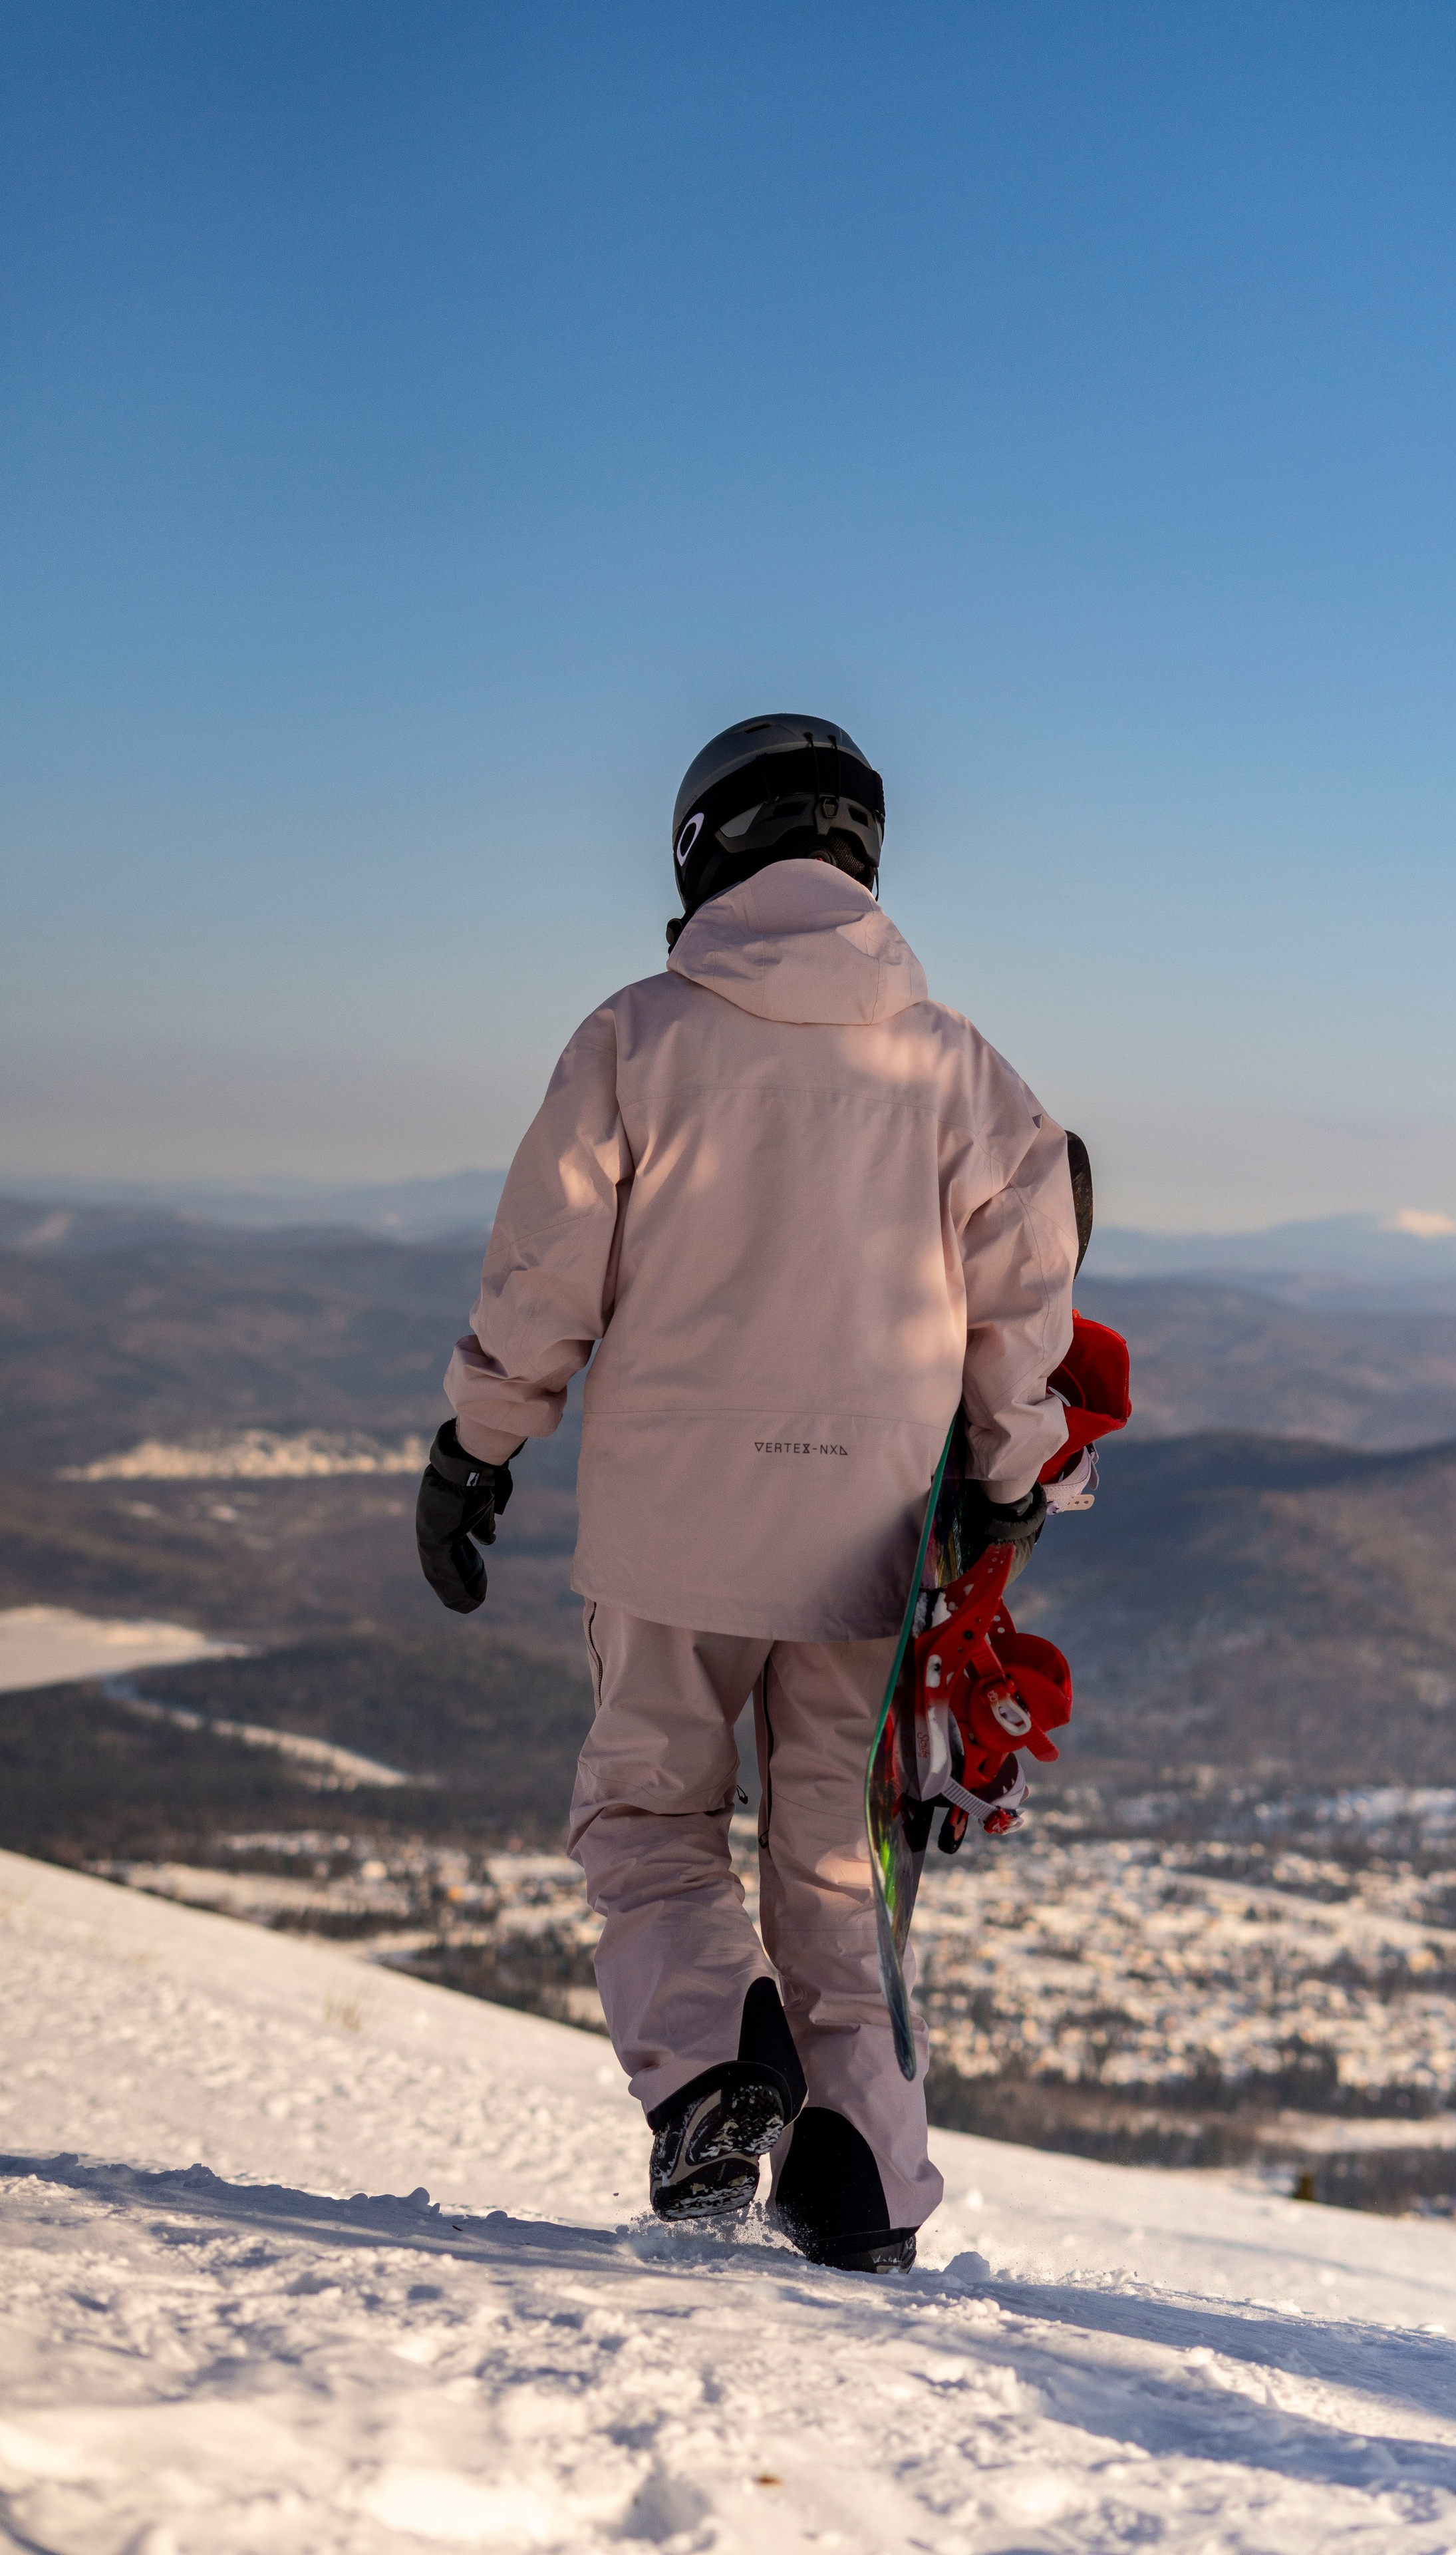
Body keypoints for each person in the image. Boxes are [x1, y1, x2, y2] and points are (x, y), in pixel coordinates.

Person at [416, 715, 1077, 2272]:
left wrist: (475, 1448)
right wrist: (1003, 1482)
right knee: (834, 1859)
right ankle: (859, 2174)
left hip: (668, 1530)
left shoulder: (635, 1039)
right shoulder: (959, 1070)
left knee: (649, 1814)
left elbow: (542, 1277)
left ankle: (717, 2067)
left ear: (702, 846)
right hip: (867, 1543)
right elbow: (1022, 1304)